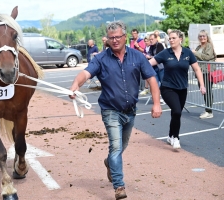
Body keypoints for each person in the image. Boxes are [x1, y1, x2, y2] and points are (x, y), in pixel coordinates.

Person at [69, 21, 162, 200]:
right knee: (116, 146)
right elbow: (86, 74)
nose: (115, 40)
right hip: (110, 110)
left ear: (125, 37)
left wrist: (156, 103)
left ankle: (109, 163)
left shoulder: (138, 57)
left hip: (130, 111)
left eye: (118, 37)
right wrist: (75, 85)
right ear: (107, 39)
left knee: (121, 146)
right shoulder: (101, 59)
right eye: (111, 38)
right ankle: (119, 186)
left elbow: (151, 79)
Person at [149, 30, 206, 149]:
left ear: (180, 39)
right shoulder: (165, 53)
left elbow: (197, 69)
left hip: (182, 88)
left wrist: (202, 85)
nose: (171, 40)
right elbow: (149, 63)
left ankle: (170, 136)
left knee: (176, 114)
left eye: (173, 38)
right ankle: (176, 137)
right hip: (167, 88)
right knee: (177, 111)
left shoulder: (188, 53)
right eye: (169, 38)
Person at [192, 30, 217, 119]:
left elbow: (207, 57)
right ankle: (207, 109)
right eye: (200, 36)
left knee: (208, 91)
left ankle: (209, 111)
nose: (202, 38)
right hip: (200, 72)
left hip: (207, 71)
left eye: (204, 36)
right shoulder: (199, 47)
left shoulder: (209, 46)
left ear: (207, 37)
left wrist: (196, 53)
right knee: (204, 90)